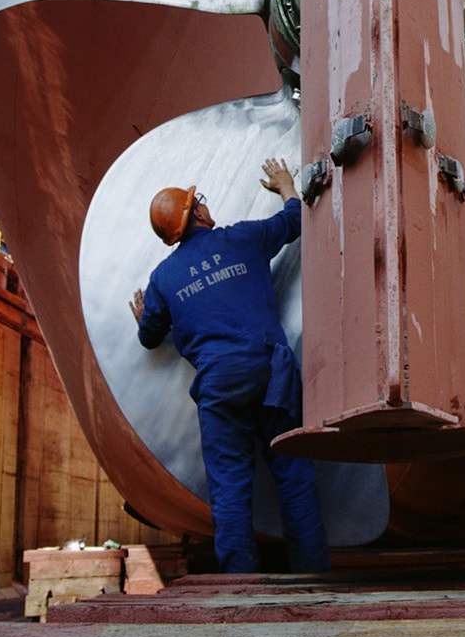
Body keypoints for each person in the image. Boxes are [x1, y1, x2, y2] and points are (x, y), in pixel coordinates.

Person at [130, 158, 330, 574]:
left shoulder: (163, 279)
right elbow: (296, 220)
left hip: (220, 386)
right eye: (197, 201)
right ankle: (314, 576)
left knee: (229, 489)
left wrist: (144, 318)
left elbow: (149, 336)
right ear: (197, 213)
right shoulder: (242, 238)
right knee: (294, 475)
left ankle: (239, 585)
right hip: (271, 370)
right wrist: (285, 185)